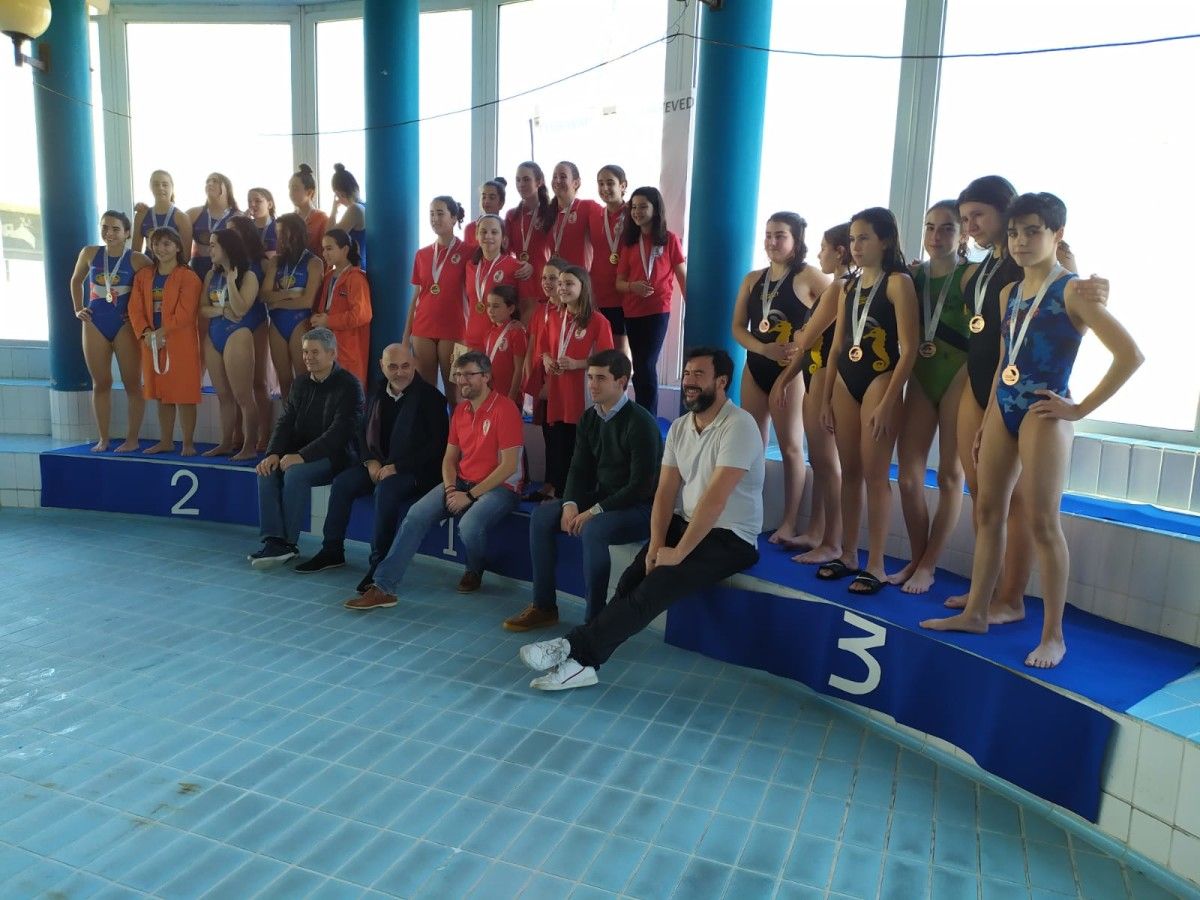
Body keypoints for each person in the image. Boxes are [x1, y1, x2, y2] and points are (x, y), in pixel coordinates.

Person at [922, 192, 1142, 669]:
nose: (1021, 241)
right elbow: (1006, 356)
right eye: (1016, 233)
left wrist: (1080, 408)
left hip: (1045, 411)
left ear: (1056, 235)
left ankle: (1054, 636)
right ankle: (977, 611)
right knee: (986, 510)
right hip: (1004, 405)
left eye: (1033, 232)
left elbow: (1130, 356)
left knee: (1042, 523)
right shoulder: (1008, 292)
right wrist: (986, 419)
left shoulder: (1073, 292)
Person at [518, 347, 763, 690]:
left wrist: (677, 553)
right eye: (686, 374)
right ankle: (584, 665)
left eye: (699, 375)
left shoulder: (740, 426)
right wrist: (657, 544)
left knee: (657, 585)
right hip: (688, 522)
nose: (689, 382)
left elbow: (716, 500)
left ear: (721, 382)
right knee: (633, 579)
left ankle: (573, 647)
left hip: (731, 536)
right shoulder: (680, 426)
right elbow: (665, 493)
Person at [345, 351, 524, 608]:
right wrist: (452, 488)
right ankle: (383, 587)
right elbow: (449, 458)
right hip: (462, 482)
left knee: (469, 525)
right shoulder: (461, 411)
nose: (463, 381)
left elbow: (508, 467)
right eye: (459, 375)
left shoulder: (504, 409)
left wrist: (470, 496)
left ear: (486, 376)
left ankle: (474, 569)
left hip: (501, 487)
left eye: (470, 375)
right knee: (415, 516)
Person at [507, 349, 663, 632]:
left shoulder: (640, 423)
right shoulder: (590, 417)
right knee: (543, 517)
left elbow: (641, 487)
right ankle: (543, 606)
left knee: (593, 529)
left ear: (622, 382)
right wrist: (569, 504)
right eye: (590, 377)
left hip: (641, 508)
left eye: (601, 378)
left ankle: (595, 621)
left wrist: (593, 511)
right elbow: (578, 469)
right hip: (604, 498)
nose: (592, 384)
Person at [816, 207, 918, 595]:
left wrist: (891, 401)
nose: (856, 247)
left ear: (886, 240)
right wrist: (825, 398)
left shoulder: (898, 283)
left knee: (876, 475)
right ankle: (847, 555)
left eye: (865, 238)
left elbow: (908, 350)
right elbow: (837, 345)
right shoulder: (848, 287)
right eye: (853, 239)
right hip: (845, 379)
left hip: (881, 378)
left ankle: (875, 563)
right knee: (849, 470)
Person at [296, 342, 449, 592]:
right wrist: (370, 461)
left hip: (416, 472)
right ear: (382, 366)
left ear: (414, 364)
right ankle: (332, 550)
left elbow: (436, 447)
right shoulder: (377, 392)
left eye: (405, 366)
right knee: (344, 483)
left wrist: (397, 467)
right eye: (393, 367)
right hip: (379, 465)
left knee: (386, 490)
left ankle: (379, 565)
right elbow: (361, 431)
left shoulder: (431, 398)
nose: (400, 372)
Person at [731, 212, 830, 544]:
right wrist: (763, 349)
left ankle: (789, 522)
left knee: (790, 448)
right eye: (768, 234)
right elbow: (736, 329)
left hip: (791, 373)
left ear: (796, 240)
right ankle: (751, 512)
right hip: (756, 367)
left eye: (780, 235)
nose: (772, 242)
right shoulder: (752, 279)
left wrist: (804, 345)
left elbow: (838, 313)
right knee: (752, 445)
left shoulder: (810, 276)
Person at [887, 201, 971, 593]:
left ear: (964, 233)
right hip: (921, 376)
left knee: (951, 475)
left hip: (958, 377)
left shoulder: (972, 277)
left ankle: (930, 565)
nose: (937, 237)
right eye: (930, 227)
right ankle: (917, 558)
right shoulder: (912, 277)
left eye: (948, 228)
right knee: (907, 479)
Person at [770, 223, 850, 564]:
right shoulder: (846, 286)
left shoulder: (839, 288)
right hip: (819, 375)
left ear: (839, 252)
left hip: (825, 380)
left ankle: (833, 542)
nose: (819, 255)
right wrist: (787, 376)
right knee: (823, 462)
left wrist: (801, 335)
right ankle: (821, 533)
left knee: (828, 465)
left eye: (824, 248)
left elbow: (805, 340)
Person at [252, 327, 365, 568]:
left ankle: (288, 544)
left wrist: (301, 456)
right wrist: (273, 453)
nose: (308, 357)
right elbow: (285, 421)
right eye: (305, 352)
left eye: (315, 352)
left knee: (295, 474)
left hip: (337, 457)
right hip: (299, 454)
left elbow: (340, 434)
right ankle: (274, 540)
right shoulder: (300, 383)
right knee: (266, 471)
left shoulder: (349, 385)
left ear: (332, 353)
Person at [69, 210, 152, 452]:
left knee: (132, 385)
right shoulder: (89, 253)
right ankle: (103, 438)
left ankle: (132, 439)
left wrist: (141, 317)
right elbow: (76, 280)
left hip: (124, 325)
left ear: (127, 233)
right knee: (101, 383)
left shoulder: (138, 260)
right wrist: (77, 309)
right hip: (95, 322)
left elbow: (154, 287)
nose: (109, 233)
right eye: (105, 227)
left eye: (116, 228)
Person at [541, 266, 615, 498]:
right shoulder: (554, 317)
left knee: (580, 447)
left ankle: (580, 497)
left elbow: (607, 358)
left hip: (582, 394)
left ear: (583, 287)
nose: (562, 287)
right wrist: (546, 360)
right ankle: (561, 494)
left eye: (569, 283)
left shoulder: (598, 321)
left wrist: (578, 363)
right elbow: (543, 348)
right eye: (560, 283)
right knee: (559, 445)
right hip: (558, 392)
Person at [128, 227, 203, 456]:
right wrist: (147, 333)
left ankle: (188, 443)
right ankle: (166, 440)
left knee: (184, 393)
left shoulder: (188, 277)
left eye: (167, 244)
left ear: (178, 247)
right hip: (151, 340)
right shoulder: (144, 276)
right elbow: (135, 307)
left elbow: (185, 312)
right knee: (161, 392)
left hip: (180, 342)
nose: (161, 249)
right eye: (157, 244)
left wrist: (161, 332)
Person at [616, 186, 686, 413]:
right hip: (633, 312)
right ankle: (643, 416)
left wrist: (693, 308)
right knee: (640, 365)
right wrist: (632, 287)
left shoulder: (669, 240)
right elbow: (619, 283)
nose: (637, 211)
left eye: (643, 206)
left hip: (658, 311)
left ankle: (648, 417)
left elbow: (682, 275)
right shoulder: (628, 244)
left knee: (646, 366)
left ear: (656, 209)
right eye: (633, 207)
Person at [199, 229, 265, 460]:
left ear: (227, 247)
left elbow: (241, 309)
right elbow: (203, 309)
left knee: (243, 396)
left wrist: (231, 282)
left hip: (238, 335)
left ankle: (249, 445)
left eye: (214, 244)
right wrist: (221, 309)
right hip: (214, 335)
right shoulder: (210, 275)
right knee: (223, 396)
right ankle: (226, 443)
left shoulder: (249, 276)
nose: (210, 249)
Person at [405, 195, 469, 397]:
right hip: (423, 328)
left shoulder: (469, 252)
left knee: (456, 392)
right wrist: (406, 337)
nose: (435, 218)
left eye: (440, 213)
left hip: (456, 329)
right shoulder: (422, 255)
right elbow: (415, 298)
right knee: (426, 393)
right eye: (431, 214)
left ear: (454, 218)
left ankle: (456, 430)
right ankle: (432, 430)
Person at [262, 213, 324, 401]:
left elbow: (307, 301)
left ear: (296, 234)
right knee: (284, 380)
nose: (278, 239)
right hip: (277, 323)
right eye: (277, 234)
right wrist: (290, 294)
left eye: (282, 233)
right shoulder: (276, 261)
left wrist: (277, 301)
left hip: (300, 321)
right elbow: (263, 295)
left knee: (304, 378)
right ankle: (290, 423)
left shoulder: (314, 262)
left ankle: (306, 424)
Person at [522, 257, 568, 501]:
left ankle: (559, 487)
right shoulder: (541, 310)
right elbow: (534, 347)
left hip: (563, 384)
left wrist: (552, 382)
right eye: (544, 278)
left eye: (554, 278)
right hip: (543, 380)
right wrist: (531, 379)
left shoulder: (571, 311)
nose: (548, 283)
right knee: (549, 436)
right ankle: (550, 484)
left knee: (561, 436)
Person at [313, 229, 373, 388]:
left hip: (349, 351)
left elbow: (362, 315)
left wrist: (328, 321)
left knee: (350, 399)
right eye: (323, 248)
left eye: (329, 248)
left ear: (345, 249)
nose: (325, 253)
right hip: (329, 349)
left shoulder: (356, 278)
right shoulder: (328, 277)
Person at [463, 214, 522, 350]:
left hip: (501, 342)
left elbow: (524, 305)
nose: (488, 236)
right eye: (483, 232)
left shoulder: (515, 266)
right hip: (472, 339)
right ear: (476, 236)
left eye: (494, 232)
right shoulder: (470, 266)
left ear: (503, 239)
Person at [589, 164, 630, 356]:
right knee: (601, 346)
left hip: (624, 291)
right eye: (600, 183)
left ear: (623, 185)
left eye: (610, 183)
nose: (604, 188)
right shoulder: (595, 214)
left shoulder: (633, 213)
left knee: (620, 347)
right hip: (599, 290)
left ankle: (620, 386)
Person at [506, 162, 552, 323]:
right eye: (518, 180)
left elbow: (558, 250)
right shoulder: (512, 215)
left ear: (539, 182)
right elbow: (506, 253)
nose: (521, 184)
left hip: (544, 283)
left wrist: (534, 266)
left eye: (526, 179)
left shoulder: (551, 212)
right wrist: (517, 263)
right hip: (520, 282)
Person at [542, 161, 601, 268]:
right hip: (556, 281)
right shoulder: (549, 212)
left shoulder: (588, 207)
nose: (557, 180)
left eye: (563, 177)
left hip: (579, 280)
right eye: (554, 177)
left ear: (576, 183)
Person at [187, 172, 237, 282]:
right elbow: (171, 234)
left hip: (226, 272)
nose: (210, 183)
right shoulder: (193, 213)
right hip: (198, 271)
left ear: (226, 188)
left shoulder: (238, 216)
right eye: (207, 181)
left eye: (215, 181)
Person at [482, 284, 527, 403]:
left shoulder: (516, 332)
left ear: (511, 309)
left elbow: (519, 369)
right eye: (489, 306)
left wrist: (511, 398)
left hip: (509, 397)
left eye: (496, 306)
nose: (491, 310)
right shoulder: (489, 332)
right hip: (491, 395)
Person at [132, 170, 191, 255]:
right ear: (150, 187)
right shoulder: (141, 215)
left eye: (165, 184)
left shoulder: (181, 217)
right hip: (148, 266)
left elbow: (186, 256)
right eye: (156, 184)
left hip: (173, 267)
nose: (160, 187)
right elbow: (135, 253)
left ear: (172, 187)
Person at [330, 163, 367, 270]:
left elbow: (329, 238)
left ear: (339, 193)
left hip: (355, 268)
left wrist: (333, 212)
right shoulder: (365, 206)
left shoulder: (355, 209)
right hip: (363, 264)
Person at [289, 163, 329, 256]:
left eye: (295, 189)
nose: (290, 193)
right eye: (289, 188)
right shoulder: (291, 218)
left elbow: (328, 252)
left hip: (317, 268)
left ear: (310, 192)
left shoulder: (322, 218)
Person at [464, 177, 507, 247]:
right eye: (484, 197)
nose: (486, 201)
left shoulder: (507, 228)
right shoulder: (471, 228)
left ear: (501, 203)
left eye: (492, 197)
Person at [246, 188, 278, 257]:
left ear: (269, 204)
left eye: (257, 201)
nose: (252, 204)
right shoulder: (246, 227)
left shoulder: (278, 227)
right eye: (249, 201)